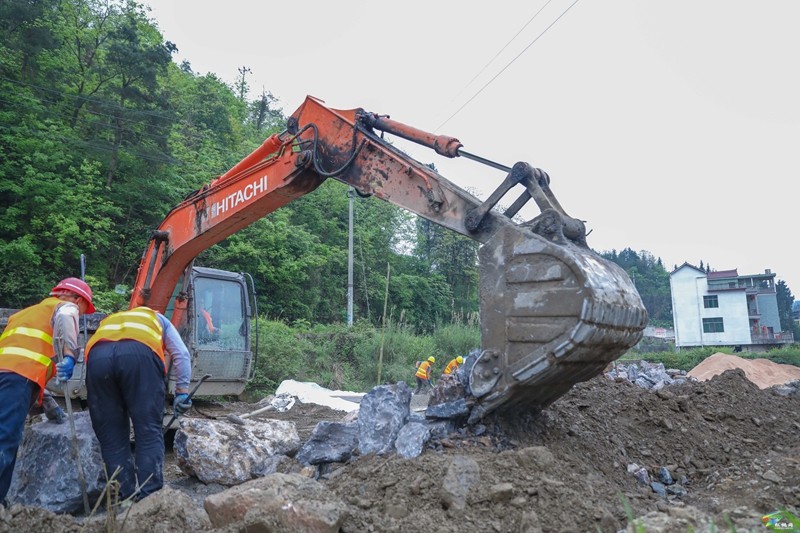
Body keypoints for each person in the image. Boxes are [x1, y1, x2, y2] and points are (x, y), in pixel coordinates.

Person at [0, 277, 95, 505]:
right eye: (83, 309)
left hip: (10, 375)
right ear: (77, 299)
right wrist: (71, 355)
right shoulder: (66, 307)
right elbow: (66, 317)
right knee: (5, 440)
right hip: (17, 377)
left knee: (8, 441)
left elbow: (22, 354)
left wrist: (50, 407)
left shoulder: (23, 314)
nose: (80, 315)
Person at [84, 306, 192, 501]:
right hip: (139, 355)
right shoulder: (157, 318)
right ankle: (148, 498)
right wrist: (182, 392)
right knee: (148, 431)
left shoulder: (111, 319)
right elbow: (181, 354)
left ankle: (122, 499)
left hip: (97, 358)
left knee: (112, 438)